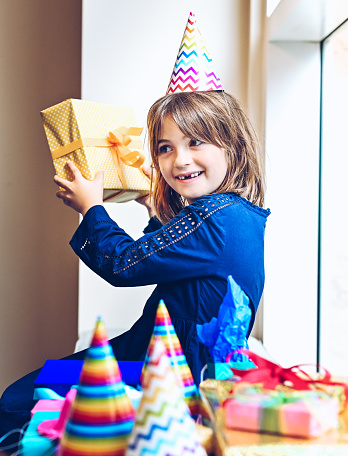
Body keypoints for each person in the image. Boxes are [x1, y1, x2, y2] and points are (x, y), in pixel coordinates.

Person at [0, 90, 269, 443]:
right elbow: (180, 261)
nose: (180, 160)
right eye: (164, 148)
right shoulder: (236, 214)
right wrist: (154, 208)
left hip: (173, 375)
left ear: (233, 146)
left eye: (196, 142)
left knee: (19, 403)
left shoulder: (210, 217)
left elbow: (124, 264)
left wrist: (91, 208)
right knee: (34, 389)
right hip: (177, 361)